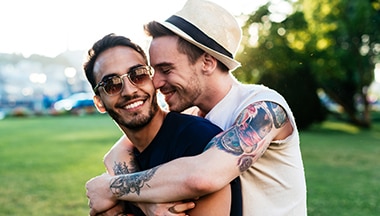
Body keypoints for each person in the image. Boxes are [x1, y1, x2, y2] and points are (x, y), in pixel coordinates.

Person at [86, 0, 307, 215]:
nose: (156, 82)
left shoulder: (263, 108)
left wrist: (110, 188)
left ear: (207, 62)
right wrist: (146, 204)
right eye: (153, 71)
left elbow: (202, 177)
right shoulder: (192, 114)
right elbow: (119, 150)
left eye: (166, 69)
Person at [83, 33, 242, 215]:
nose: (129, 90)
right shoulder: (123, 157)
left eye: (138, 75)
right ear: (99, 103)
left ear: (153, 79)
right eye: (111, 84)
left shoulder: (198, 140)